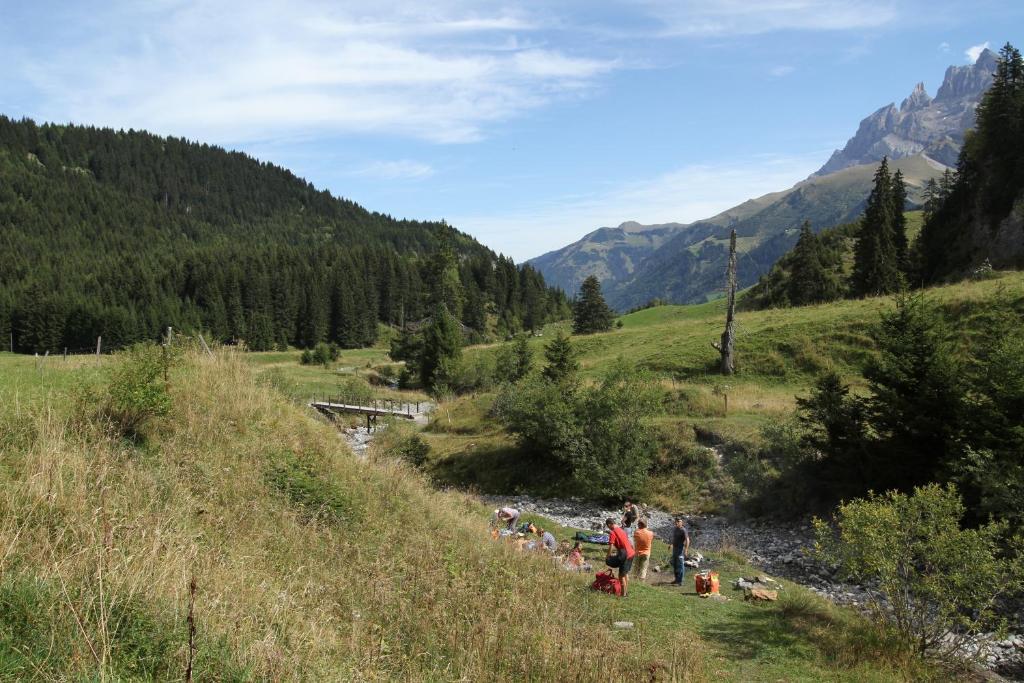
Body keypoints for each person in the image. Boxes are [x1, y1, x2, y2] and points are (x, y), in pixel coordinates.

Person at [605, 517, 635, 596]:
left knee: (621, 575)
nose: (608, 528)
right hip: (631, 553)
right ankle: (625, 591)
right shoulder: (622, 530)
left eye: (608, 526)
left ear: (609, 525)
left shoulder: (613, 532)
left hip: (626, 555)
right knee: (625, 574)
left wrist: (607, 557)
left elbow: (611, 546)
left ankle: (623, 595)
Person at [669, 518, 690, 587]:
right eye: (676, 521)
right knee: (675, 564)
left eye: (679, 521)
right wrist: (671, 544)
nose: (677, 522)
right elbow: (674, 538)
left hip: (680, 550)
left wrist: (686, 550)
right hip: (674, 549)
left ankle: (680, 582)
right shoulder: (675, 529)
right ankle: (676, 579)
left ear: (682, 522)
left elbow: (687, 540)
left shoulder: (683, 530)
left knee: (680, 565)